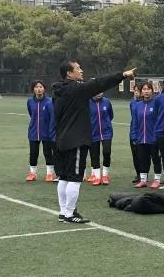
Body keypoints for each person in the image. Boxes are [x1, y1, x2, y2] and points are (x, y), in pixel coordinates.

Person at [51, 61, 135, 224]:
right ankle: (69, 213)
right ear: (69, 73)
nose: (81, 71)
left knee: (64, 177)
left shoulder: (58, 90)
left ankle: (63, 212)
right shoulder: (77, 89)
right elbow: (100, 83)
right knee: (75, 178)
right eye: (78, 69)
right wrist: (123, 75)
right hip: (75, 141)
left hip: (61, 139)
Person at [25, 80, 57, 182]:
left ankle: (49, 173)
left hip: (47, 132)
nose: (39, 89)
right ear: (33, 89)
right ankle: (32, 173)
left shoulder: (49, 101)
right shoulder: (30, 101)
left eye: (41, 87)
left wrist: (51, 131)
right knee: (33, 153)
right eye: (36, 87)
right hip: (33, 132)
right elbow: (31, 114)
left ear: (44, 89)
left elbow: (52, 117)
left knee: (48, 153)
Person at [137, 81, 164, 189]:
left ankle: (157, 180)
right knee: (143, 159)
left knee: (156, 159)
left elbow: (160, 120)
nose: (146, 91)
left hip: (154, 138)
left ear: (152, 91)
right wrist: (135, 135)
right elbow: (135, 122)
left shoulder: (156, 104)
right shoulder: (138, 105)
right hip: (141, 138)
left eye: (148, 89)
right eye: (144, 89)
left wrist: (158, 135)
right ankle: (143, 180)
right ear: (141, 92)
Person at [86, 91, 114, 186]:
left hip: (106, 132)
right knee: (95, 155)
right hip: (93, 133)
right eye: (96, 91)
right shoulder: (87, 102)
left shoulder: (107, 101)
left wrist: (106, 124)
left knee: (107, 152)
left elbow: (111, 115)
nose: (99, 93)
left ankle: (105, 175)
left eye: (101, 91)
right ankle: (97, 176)